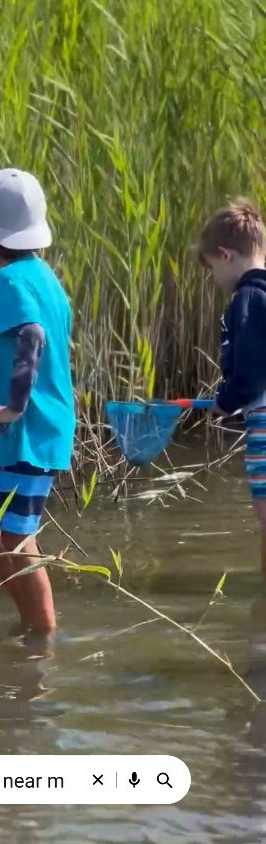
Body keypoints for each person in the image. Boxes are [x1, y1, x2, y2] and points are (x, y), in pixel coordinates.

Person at [0, 168, 75, 634]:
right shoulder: (46, 278)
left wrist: (14, 408)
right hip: (26, 430)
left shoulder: (11, 280)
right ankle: (29, 620)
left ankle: (42, 633)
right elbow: (33, 358)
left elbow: (32, 337)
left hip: (26, 430)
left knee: (17, 537)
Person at [197, 199, 266, 578]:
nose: (214, 278)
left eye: (211, 269)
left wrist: (226, 402)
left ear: (224, 255)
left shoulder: (248, 299)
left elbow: (253, 372)